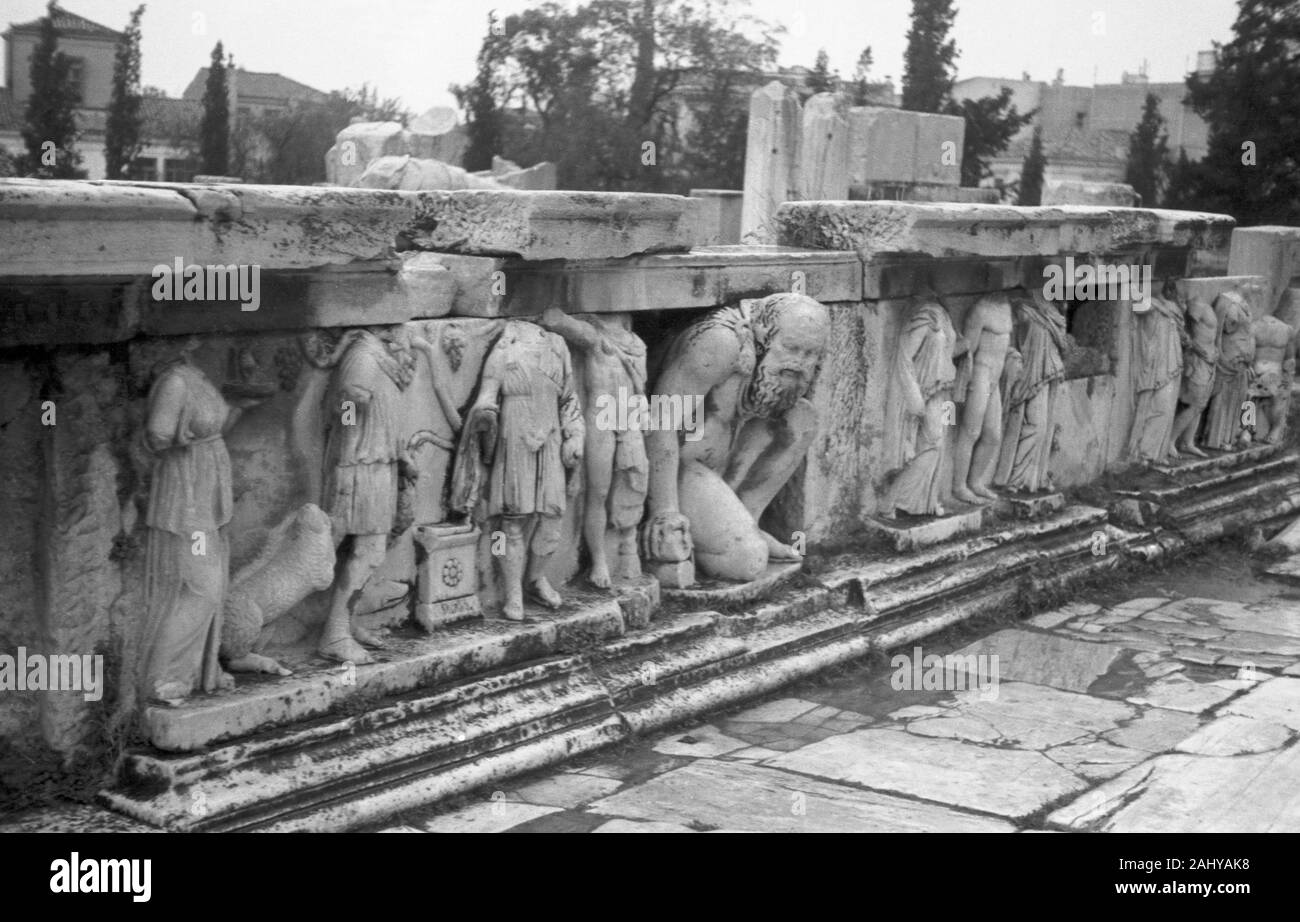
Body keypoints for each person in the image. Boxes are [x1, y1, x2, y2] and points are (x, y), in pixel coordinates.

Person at [644, 293, 830, 584]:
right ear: (762, 336)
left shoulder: (780, 364)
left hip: (723, 460)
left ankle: (748, 520)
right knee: (749, 561)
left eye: (810, 354)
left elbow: (771, 408)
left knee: (801, 419)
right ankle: (736, 535)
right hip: (679, 467)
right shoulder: (719, 342)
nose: (799, 362)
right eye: (791, 348)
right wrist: (665, 517)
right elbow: (659, 422)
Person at [453, 321, 585, 620]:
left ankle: (536, 577)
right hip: (514, 437)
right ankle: (511, 592)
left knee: (552, 516)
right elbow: (487, 395)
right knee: (511, 522)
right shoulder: (504, 347)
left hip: (549, 436)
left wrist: (575, 434)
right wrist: (484, 415)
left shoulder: (557, 345)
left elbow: (569, 399)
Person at [882, 297, 958, 518]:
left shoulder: (943, 313)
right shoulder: (925, 315)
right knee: (932, 443)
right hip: (925, 392)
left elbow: (948, 351)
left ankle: (927, 502)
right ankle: (891, 502)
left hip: (943, 389)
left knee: (940, 445)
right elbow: (904, 358)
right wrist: (913, 396)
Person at [995, 289, 1068, 494]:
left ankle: (1035, 479)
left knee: (1044, 428)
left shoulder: (1053, 314)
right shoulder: (1026, 310)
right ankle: (1016, 479)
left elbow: (1063, 345)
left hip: (1049, 375)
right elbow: (1011, 339)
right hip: (1030, 377)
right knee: (1034, 426)